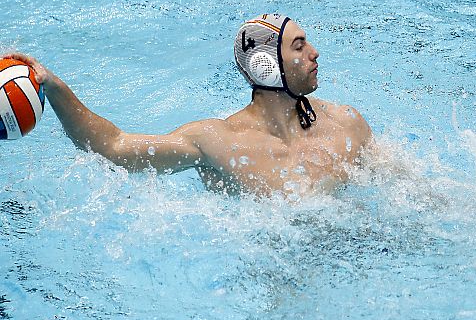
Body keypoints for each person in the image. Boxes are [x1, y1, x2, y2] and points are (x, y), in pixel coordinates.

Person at [5, 14, 372, 197]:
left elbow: (408, 186)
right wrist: (53, 87)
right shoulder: (217, 141)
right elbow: (113, 147)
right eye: (298, 46)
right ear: (266, 66)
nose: (314, 52)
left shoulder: (345, 122)